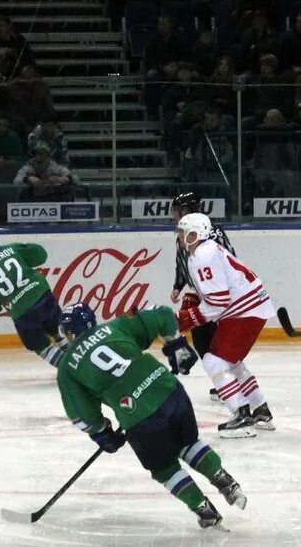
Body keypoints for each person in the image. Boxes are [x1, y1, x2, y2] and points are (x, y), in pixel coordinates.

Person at [56, 303, 247, 528]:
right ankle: (225, 480)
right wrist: (176, 343)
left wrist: (102, 433)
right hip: (169, 390)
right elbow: (163, 314)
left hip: (138, 417)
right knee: (188, 444)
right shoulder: (116, 327)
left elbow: (82, 414)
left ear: (69, 332)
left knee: (164, 467)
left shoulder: (67, 368)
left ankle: (204, 510)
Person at [175, 210, 274, 437]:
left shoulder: (202, 255)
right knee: (230, 361)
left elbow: (218, 302)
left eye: (183, 232)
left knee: (213, 361)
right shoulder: (205, 251)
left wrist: (187, 319)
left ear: (194, 234)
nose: (180, 237)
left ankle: (241, 415)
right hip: (249, 307)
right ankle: (260, 409)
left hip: (245, 310)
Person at [0, 229, 66, 369]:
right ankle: (77, 359)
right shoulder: (11, 249)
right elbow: (41, 255)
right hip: (43, 296)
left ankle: (68, 368)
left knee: (40, 345)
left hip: (22, 311)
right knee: (57, 329)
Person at [169, 191, 233, 401]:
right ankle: (225, 383)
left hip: (220, 297)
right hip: (203, 295)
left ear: (187, 210)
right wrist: (178, 286)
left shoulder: (211, 234)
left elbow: (231, 261)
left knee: (220, 342)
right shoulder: (183, 235)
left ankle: (230, 384)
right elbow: (182, 265)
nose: (173, 215)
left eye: (177, 210)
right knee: (203, 340)